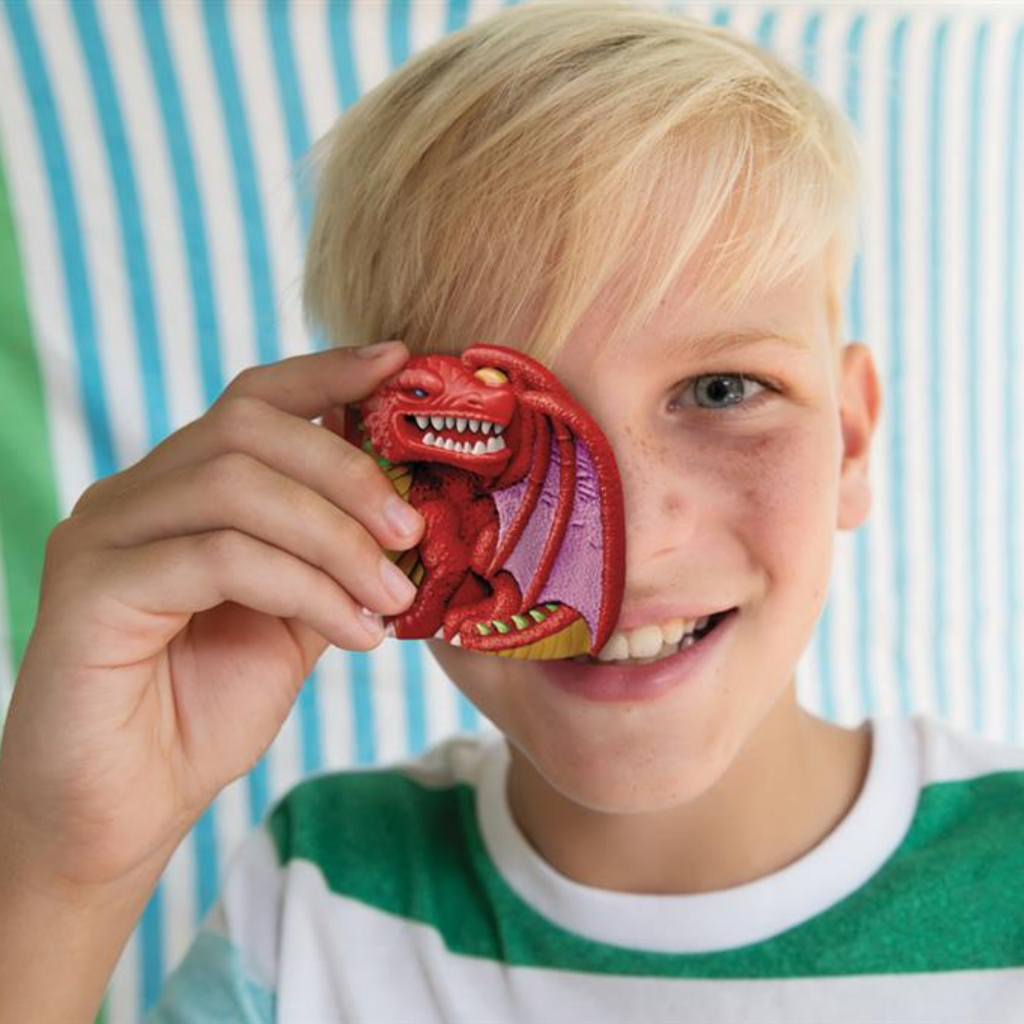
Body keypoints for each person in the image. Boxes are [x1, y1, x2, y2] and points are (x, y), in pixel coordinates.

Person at [2, 3, 1022, 1022]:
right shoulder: (317, 897)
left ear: (849, 439)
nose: (626, 548)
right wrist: (65, 869)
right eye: (498, 432)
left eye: (720, 390)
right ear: (361, 467)